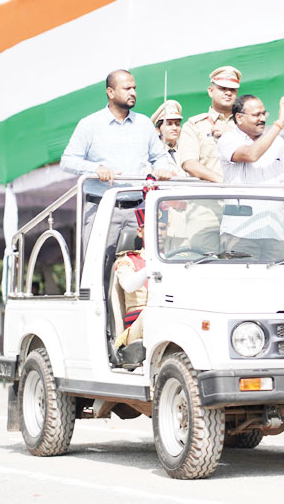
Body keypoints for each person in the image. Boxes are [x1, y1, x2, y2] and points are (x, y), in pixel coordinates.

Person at [60, 69, 175, 255]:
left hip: (138, 209)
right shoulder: (90, 124)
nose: (133, 92)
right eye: (127, 88)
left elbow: (159, 157)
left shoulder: (144, 123)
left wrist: (162, 169)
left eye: (134, 88)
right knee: (98, 267)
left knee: (139, 265)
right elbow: (67, 161)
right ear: (110, 92)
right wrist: (95, 169)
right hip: (102, 208)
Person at [216, 94, 284, 259]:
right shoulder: (228, 139)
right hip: (240, 233)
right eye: (256, 115)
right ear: (239, 118)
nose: (262, 119)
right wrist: (279, 124)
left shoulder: (278, 142)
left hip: (275, 232)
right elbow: (251, 155)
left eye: (264, 114)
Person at [176, 67, 241, 253]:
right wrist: (223, 181)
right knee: (205, 260)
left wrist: (234, 135)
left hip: (241, 206)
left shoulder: (245, 124)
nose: (228, 93)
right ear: (210, 91)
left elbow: (258, 152)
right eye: (222, 88)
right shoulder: (195, 125)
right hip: (205, 207)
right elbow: (189, 163)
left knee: (240, 261)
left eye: (232, 89)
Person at [112, 202, 150, 358]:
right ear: (140, 232)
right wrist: (153, 266)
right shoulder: (128, 261)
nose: (159, 234)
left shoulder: (177, 261)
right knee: (153, 313)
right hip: (137, 327)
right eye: (153, 229)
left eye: (162, 229)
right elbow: (128, 285)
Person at [150, 99, 183, 164]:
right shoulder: (152, 152)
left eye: (177, 124)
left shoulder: (187, 150)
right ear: (157, 130)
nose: (174, 128)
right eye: (169, 124)